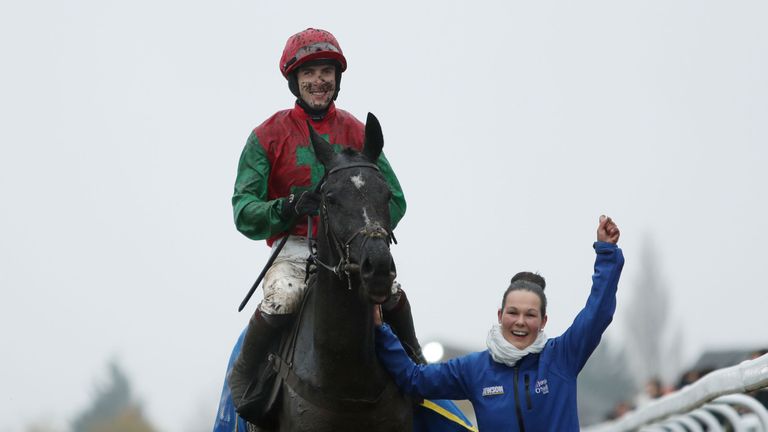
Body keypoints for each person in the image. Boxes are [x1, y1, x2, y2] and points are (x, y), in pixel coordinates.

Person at [227, 27, 424, 416]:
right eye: (309, 72)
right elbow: (243, 210)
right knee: (283, 296)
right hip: (297, 246)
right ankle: (245, 376)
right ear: (294, 80)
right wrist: (286, 207)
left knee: (393, 290)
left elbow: (395, 199)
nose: (318, 81)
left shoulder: (356, 130)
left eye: (326, 72)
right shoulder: (267, 135)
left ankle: (418, 366)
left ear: (337, 79)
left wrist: (366, 235)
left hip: (351, 245)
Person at [374, 215, 624, 431]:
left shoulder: (562, 356)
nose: (520, 322)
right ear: (500, 316)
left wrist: (607, 254)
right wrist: (380, 329)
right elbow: (414, 379)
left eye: (530, 315)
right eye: (513, 312)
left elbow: (597, 313)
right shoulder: (475, 369)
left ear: (543, 321)